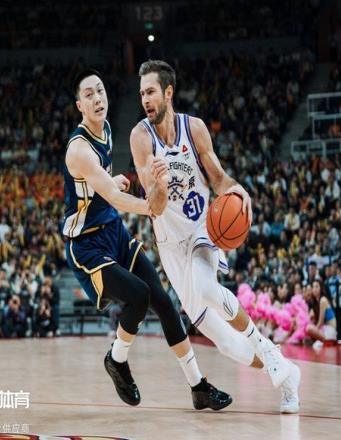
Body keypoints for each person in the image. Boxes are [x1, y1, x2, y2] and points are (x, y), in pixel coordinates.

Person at [130, 60, 300, 413]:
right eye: (142, 93)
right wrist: (158, 184)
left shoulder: (194, 129)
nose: (145, 99)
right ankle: (287, 373)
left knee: (208, 288)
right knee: (227, 345)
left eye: (151, 92)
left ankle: (269, 351)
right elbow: (154, 206)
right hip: (170, 247)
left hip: (201, 231)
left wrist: (238, 189)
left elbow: (219, 178)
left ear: (168, 92)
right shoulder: (140, 137)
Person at [61, 68, 231, 410]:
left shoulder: (106, 129)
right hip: (87, 246)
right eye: (89, 95)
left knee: (164, 303)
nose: (97, 98)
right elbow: (113, 198)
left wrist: (112, 180)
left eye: (100, 90)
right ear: (79, 105)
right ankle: (116, 359)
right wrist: (151, 207)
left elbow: (99, 185)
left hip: (114, 232)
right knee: (138, 296)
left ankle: (198, 386)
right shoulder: (78, 149)